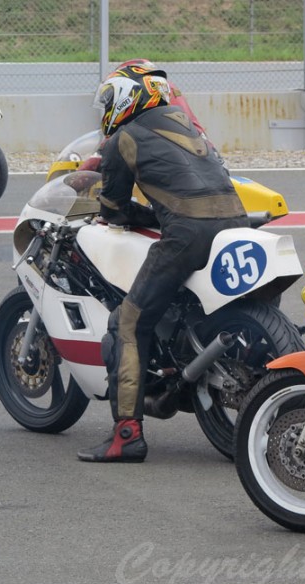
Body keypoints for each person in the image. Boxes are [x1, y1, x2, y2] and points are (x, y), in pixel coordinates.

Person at [77, 65, 248, 462]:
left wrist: (143, 216)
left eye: (109, 99)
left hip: (187, 235)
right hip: (237, 225)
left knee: (129, 323)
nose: (106, 108)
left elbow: (114, 210)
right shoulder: (189, 127)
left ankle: (126, 435)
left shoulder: (125, 138)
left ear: (128, 98)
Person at [77, 58, 218, 173]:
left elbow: (113, 145)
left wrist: (84, 171)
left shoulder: (146, 102)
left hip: (182, 174)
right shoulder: (167, 90)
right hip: (210, 160)